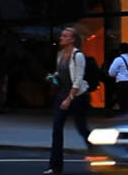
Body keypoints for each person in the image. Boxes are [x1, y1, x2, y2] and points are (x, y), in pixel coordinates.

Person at [44, 27, 91, 175]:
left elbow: (78, 80)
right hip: (62, 94)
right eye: (62, 35)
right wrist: (54, 76)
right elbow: (63, 71)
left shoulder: (78, 55)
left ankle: (101, 156)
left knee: (82, 129)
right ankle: (55, 167)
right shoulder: (60, 55)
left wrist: (69, 99)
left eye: (65, 36)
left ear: (72, 39)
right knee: (56, 130)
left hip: (77, 97)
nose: (61, 38)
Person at [107, 42, 128, 115]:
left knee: (122, 103)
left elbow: (111, 72)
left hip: (122, 83)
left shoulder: (118, 60)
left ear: (120, 50)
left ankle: (124, 117)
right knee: (127, 100)